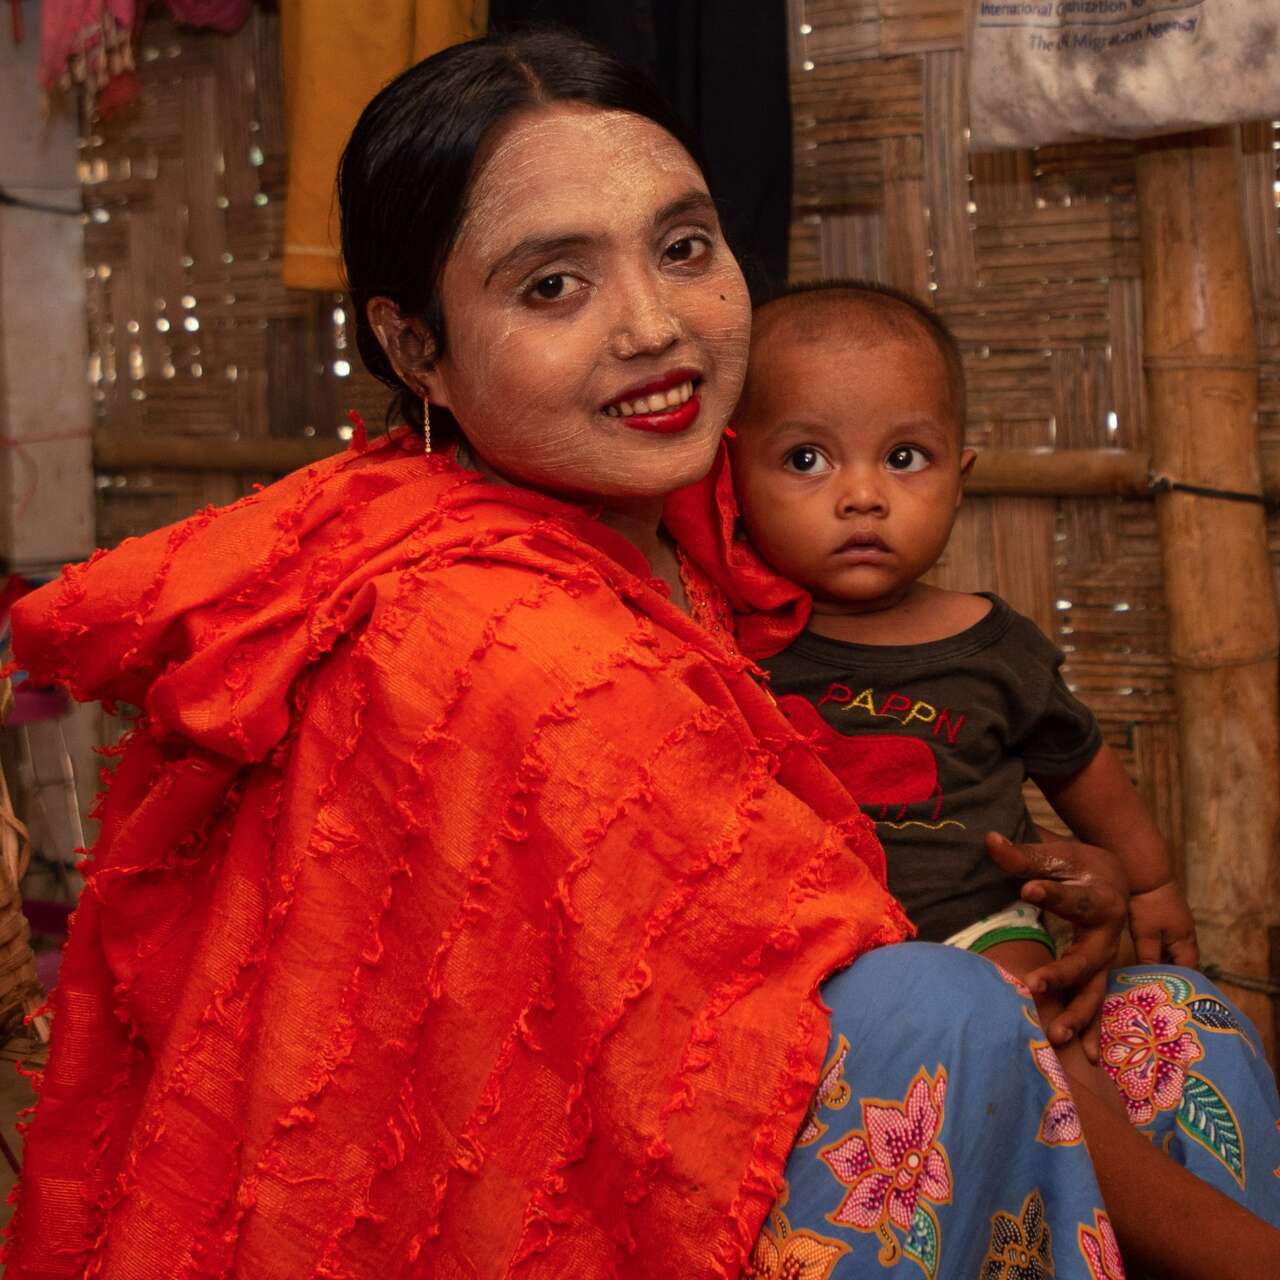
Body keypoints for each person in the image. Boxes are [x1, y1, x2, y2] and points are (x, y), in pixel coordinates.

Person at [4, 30, 1276, 1280]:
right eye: (552, 285)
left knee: (1180, 1021)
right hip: (582, 1208)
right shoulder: (500, 641)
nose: (653, 325)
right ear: (413, 348)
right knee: (948, 1016)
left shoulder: (714, 533)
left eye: (681, 248)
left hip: (798, 1081)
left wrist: (1071, 890)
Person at [727, 281, 1197, 1048]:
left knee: (1030, 1031)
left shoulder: (993, 643)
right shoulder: (732, 643)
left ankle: (1088, 1159)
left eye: (905, 457)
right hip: (803, 951)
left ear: (960, 479)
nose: (863, 496)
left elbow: (1083, 772)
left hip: (979, 926)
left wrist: (1152, 885)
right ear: (734, 479)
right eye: (807, 458)